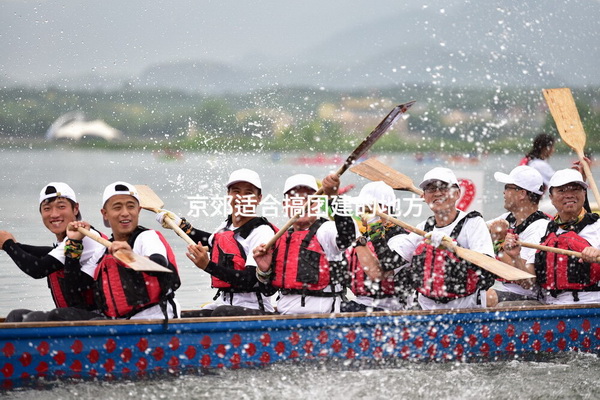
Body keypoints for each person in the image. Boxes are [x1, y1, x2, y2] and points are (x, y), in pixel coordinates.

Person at [159, 169, 278, 316]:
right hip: (225, 304)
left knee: (221, 312)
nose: (241, 198)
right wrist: (180, 226)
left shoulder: (262, 232)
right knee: (179, 317)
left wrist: (208, 266)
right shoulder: (225, 226)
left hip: (256, 309)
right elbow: (209, 242)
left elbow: (249, 279)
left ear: (259, 198)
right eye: (236, 192)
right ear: (228, 196)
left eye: (248, 193)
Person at [387, 167, 496, 310]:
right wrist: (377, 230)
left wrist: (453, 249)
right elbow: (388, 267)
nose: (437, 193)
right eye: (431, 189)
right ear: (424, 197)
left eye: (443, 188)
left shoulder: (473, 223)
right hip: (427, 308)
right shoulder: (423, 228)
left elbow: (488, 269)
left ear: (457, 194)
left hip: (466, 307)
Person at [0, 182, 106, 322]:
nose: (54, 214)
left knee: (48, 316)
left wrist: (9, 245)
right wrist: (16, 245)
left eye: (61, 207)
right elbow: (48, 253)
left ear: (75, 209)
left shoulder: (85, 235)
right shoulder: (66, 241)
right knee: (16, 316)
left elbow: (37, 269)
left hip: (101, 318)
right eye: (47, 208)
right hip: (77, 316)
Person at [253, 173, 356, 314]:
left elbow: (347, 236)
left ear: (318, 203)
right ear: (285, 205)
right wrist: (264, 271)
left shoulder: (327, 230)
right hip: (285, 318)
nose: (302, 204)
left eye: (308, 199)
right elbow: (267, 291)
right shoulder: (280, 239)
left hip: (322, 319)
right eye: (294, 199)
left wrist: (333, 197)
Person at [80, 181, 181, 320]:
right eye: (117, 207)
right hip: (121, 324)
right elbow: (78, 287)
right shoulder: (103, 250)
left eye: (131, 207)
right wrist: (73, 244)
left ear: (138, 211)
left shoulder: (147, 237)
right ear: (105, 214)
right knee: (62, 315)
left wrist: (130, 256)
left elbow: (159, 263)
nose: (125, 213)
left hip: (156, 321)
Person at [503, 169, 600, 305]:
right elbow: (528, 283)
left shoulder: (597, 226)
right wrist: (516, 257)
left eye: (575, 189)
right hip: (549, 307)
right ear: (551, 198)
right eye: (561, 191)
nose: (569, 195)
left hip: (589, 306)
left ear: (584, 194)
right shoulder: (545, 230)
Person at [341, 181, 412, 312]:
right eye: (363, 207)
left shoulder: (402, 238)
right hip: (360, 302)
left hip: (392, 307)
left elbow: (377, 274)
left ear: (389, 209)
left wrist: (373, 226)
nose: (366, 211)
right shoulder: (364, 234)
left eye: (374, 207)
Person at [486, 166, 550, 305]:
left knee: (484, 298)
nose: (504, 192)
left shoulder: (540, 227)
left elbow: (526, 281)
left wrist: (499, 243)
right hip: (502, 288)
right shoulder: (508, 218)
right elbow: (474, 229)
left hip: (526, 295)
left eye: (508, 187)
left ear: (521, 194)